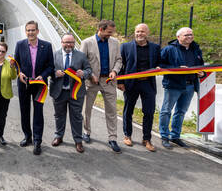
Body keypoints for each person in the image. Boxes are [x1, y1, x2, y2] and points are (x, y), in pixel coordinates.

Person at [80, 20, 122, 153]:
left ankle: (112, 138)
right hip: (91, 82)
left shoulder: (115, 43)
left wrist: (114, 71)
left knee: (112, 110)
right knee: (87, 109)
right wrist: (91, 74)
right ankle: (86, 132)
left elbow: (119, 60)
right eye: (109, 32)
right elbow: (82, 61)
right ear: (101, 29)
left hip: (109, 82)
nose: (111, 34)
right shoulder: (87, 42)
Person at [159, 27, 204, 149]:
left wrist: (202, 73)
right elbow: (159, 65)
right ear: (178, 37)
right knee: (166, 111)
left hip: (189, 85)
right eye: (186, 35)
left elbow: (201, 65)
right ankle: (164, 136)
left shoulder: (196, 49)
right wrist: (177, 68)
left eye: (191, 34)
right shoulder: (169, 49)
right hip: (173, 85)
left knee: (181, 112)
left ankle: (175, 136)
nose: (190, 37)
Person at [118, 24, 160, 152]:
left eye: (142, 32)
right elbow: (120, 64)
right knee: (128, 110)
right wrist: (119, 81)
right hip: (131, 84)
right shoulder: (125, 46)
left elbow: (160, 62)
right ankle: (127, 135)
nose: (139, 34)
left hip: (148, 84)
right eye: (137, 31)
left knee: (149, 112)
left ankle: (146, 139)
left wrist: (159, 67)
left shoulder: (155, 48)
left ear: (147, 33)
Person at [14, 20, 54, 155]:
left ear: (37, 31)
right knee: (24, 111)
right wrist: (18, 73)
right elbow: (15, 64)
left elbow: (50, 66)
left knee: (38, 112)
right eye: (28, 30)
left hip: (39, 85)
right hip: (24, 84)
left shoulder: (47, 46)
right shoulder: (20, 45)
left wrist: (43, 76)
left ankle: (37, 140)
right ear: (26, 32)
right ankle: (27, 136)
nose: (30, 32)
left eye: (33, 30)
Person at [49, 34, 91, 153]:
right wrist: (55, 73)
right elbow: (48, 69)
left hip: (76, 92)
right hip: (59, 91)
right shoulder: (54, 55)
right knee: (59, 115)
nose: (69, 45)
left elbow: (89, 69)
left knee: (77, 117)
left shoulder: (81, 55)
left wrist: (83, 73)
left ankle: (78, 141)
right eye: (66, 42)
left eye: (71, 42)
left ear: (74, 43)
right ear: (61, 42)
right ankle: (59, 136)